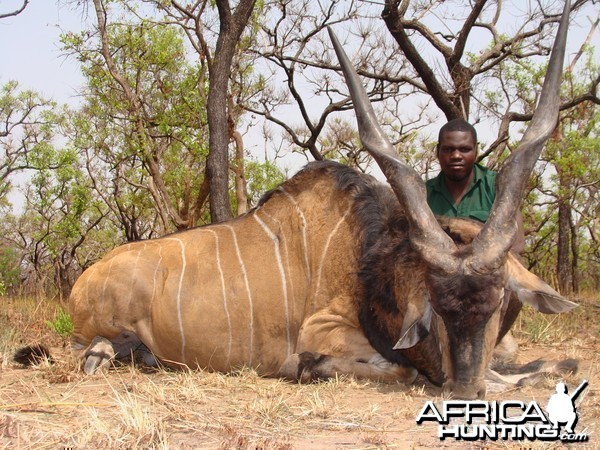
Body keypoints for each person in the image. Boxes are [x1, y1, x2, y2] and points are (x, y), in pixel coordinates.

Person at [426, 118, 524, 253]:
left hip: (489, 271)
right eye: (448, 149)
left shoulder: (498, 186)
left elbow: (517, 246)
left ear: (476, 150)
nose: (456, 156)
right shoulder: (423, 194)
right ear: (438, 151)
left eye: (464, 149)